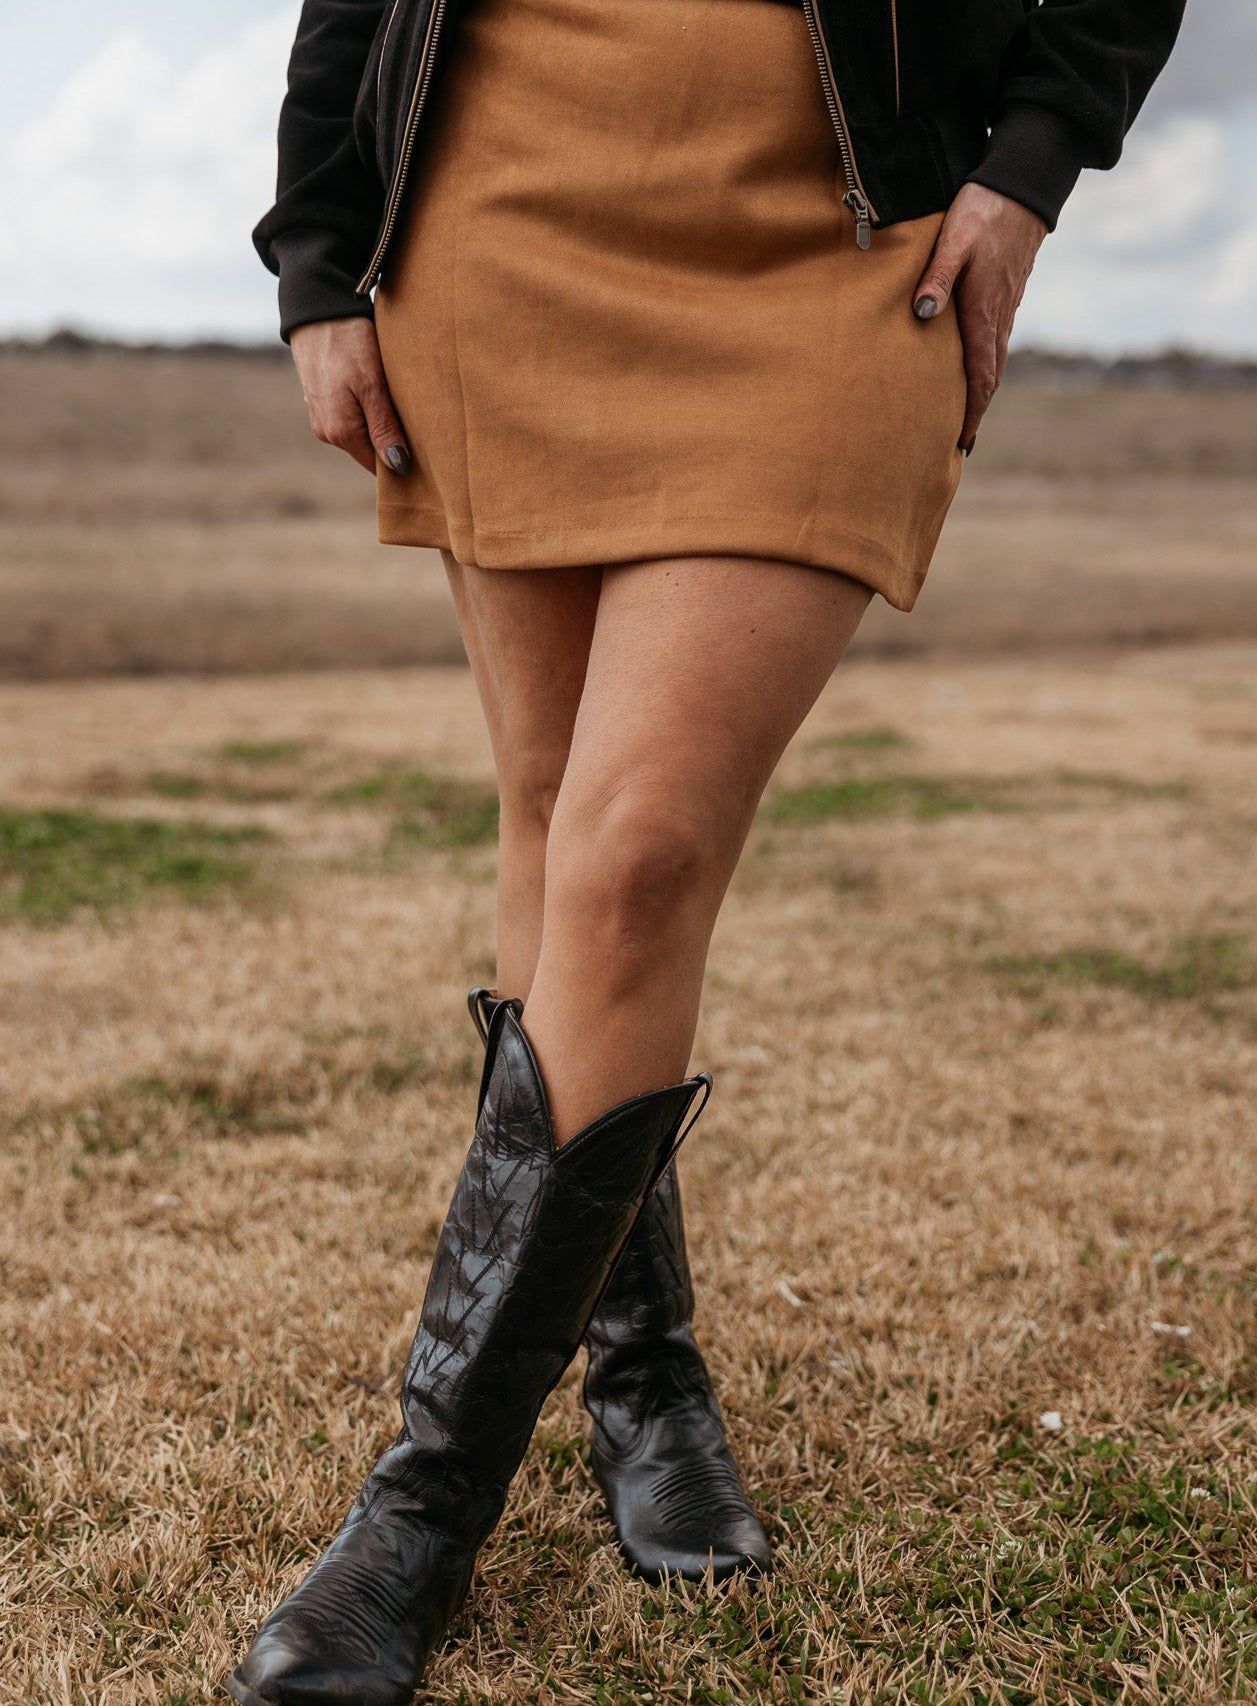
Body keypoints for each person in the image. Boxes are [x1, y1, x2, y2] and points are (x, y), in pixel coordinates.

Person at [229, 0, 1185, 1699]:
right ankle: (643, 1371)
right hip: (499, 211)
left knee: (636, 854)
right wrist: (318, 254)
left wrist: (1028, 168)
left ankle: (420, 1510)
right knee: (551, 819)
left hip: (837, 242)